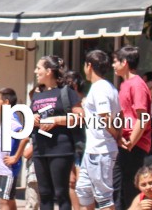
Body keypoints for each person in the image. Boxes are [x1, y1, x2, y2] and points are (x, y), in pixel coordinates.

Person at [31, 55, 81, 210]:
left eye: (39, 68)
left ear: (49, 71)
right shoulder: (37, 94)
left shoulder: (66, 92)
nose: (35, 71)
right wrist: (32, 119)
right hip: (40, 149)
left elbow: (80, 117)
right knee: (44, 193)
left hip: (60, 148)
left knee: (61, 193)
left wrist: (56, 120)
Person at [75, 50, 121, 210]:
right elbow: (118, 115)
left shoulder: (100, 87)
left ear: (89, 65)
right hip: (94, 149)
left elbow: (105, 116)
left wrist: (115, 135)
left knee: (103, 197)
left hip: (101, 149)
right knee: (83, 190)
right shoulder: (106, 87)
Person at [112, 46, 152, 210]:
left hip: (132, 145)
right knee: (119, 189)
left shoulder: (136, 85)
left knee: (128, 190)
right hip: (124, 142)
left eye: (115, 61)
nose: (113, 66)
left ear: (125, 62)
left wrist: (130, 142)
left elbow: (143, 118)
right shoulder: (125, 84)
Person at [0, 87, 27, 209]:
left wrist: (15, 157)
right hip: (6, 168)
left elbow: (25, 137)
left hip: (10, 169)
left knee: (3, 200)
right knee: (9, 199)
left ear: (6, 102)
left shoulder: (10, 119)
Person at [65, 69, 86, 210]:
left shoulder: (85, 102)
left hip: (83, 146)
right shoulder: (66, 103)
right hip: (69, 144)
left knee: (81, 183)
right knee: (71, 182)